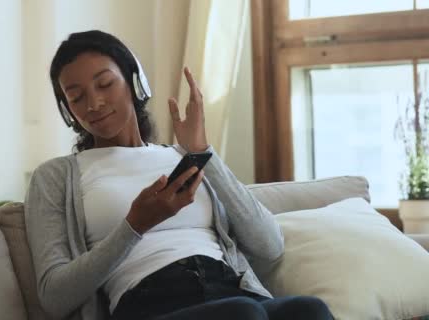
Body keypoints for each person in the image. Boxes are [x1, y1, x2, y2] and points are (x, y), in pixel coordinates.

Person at [24, 30, 334, 320]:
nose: (94, 103)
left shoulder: (182, 156)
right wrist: (135, 224)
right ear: (68, 112)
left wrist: (202, 151)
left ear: (135, 83)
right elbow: (54, 296)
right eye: (76, 97)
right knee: (242, 314)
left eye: (105, 84)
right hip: (149, 304)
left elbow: (269, 245)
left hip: (230, 289)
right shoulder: (55, 176)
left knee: (308, 309)